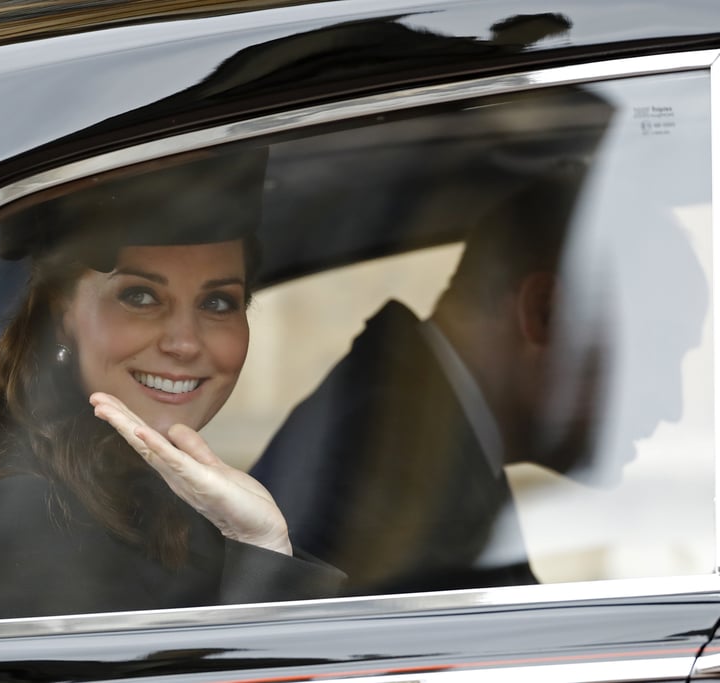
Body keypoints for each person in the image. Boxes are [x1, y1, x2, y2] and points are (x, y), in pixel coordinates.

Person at [0, 151, 345, 619]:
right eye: (140, 296)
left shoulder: (137, 482)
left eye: (219, 303)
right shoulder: (30, 505)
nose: (184, 343)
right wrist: (260, 544)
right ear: (63, 316)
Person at [252, 168, 706, 595]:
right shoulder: (393, 478)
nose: (673, 405)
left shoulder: (422, 438)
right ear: (548, 315)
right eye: (657, 353)